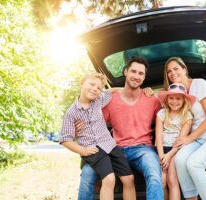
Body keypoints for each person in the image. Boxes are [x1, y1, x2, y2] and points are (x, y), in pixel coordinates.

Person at [78, 57, 164, 200]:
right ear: (125, 71)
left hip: (142, 150)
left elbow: (166, 123)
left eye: (141, 73)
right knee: (87, 173)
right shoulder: (110, 99)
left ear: (144, 77)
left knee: (155, 174)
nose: (136, 76)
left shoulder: (152, 100)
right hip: (115, 149)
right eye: (133, 71)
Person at [163, 57, 206, 200]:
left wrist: (188, 138)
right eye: (169, 71)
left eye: (176, 68)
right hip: (199, 139)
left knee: (194, 163)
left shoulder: (199, 84)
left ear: (185, 69)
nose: (172, 73)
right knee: (180, 160)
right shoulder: (178, 94)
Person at [59, 72, 136, 200]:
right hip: (92, 149)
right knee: (109, 179)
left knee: (129, 178)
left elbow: (111, 90)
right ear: (81, 83)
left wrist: (126, 89)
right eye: (92, 84)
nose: (95, 89)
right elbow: (65, 140)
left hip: (109, 144)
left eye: (99, 88)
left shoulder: (98, 100)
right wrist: (83, 151)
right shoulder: (71, 112)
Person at [156, 83, 195, 200]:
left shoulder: (187, 116)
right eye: (171, 98)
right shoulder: (161, 114)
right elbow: (158, 136)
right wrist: (162, 156)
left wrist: (169, 155)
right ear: (167, 99)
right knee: (161, 183)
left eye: (178, 98)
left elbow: (181, 140)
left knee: (172, 180)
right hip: (162, 150)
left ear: (184, 100)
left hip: (176, 151)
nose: (174, 101)